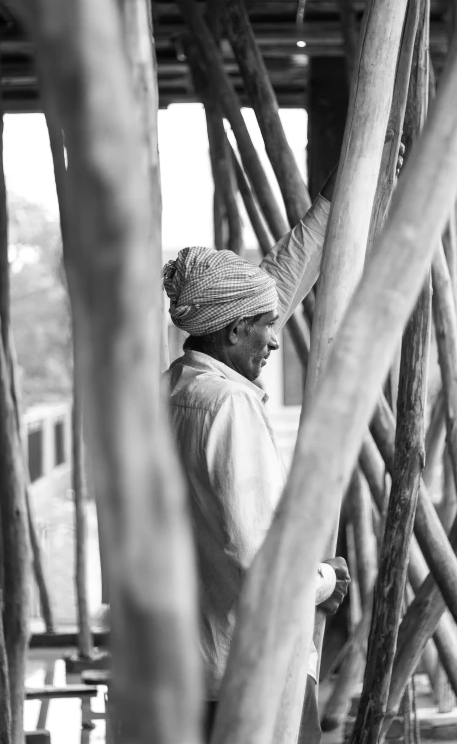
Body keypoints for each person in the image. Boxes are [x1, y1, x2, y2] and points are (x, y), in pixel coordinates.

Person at [162, 169, 349, 743]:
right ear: (230, 332)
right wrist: (324, 580)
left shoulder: (178, 388)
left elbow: (274, 288)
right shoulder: (227, 407)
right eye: (264, 328)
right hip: (251, 676)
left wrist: (329, 207)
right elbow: (255, 553)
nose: (275, 339)